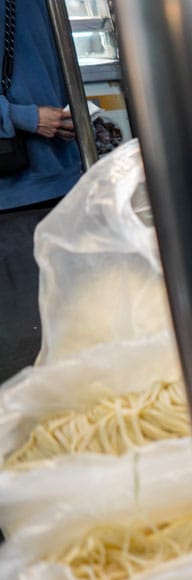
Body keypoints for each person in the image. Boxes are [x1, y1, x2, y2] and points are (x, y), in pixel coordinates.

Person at [1, 0, 81, 366]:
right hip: (15, 197)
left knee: (77, 335)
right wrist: (26, 117)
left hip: (63, 178)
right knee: (32, 354)